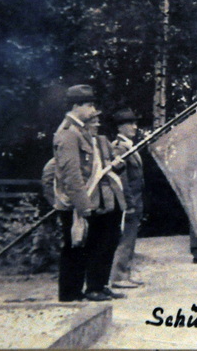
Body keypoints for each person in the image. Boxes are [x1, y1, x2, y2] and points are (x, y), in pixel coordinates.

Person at [52, 85, 126, 302]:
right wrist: (84, 206)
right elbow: (72, 175)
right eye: (89, 104)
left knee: (93, 244)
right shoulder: (67, 134)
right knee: (75, 247)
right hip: (75, 203)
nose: (93, 109)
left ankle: (93, 288)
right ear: (76, 106)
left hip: (87, 199)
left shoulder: (81, 131)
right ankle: (69, 295)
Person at [110, 108, 146, 289]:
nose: (134, 126)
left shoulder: (130, 146)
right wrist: (128, 204)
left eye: (135, 123)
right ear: (120, 127)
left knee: (130, 239)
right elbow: (121, 179)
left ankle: (126, 273)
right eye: (130, 123)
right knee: (125, 239)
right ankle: (117, 277)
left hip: (136, 199)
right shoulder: (119, 147)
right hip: (128, 201)